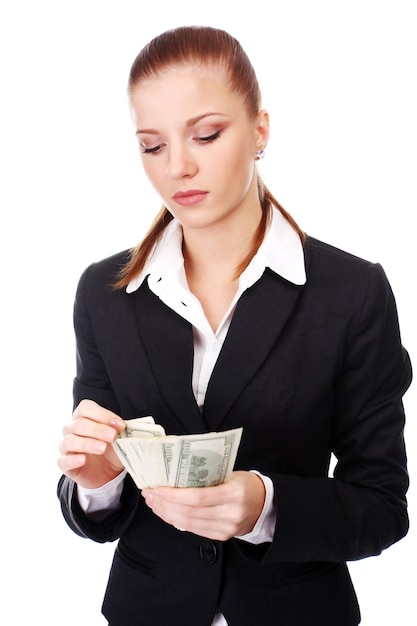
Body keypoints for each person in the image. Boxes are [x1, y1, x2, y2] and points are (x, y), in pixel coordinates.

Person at [57, 25, 412, 626]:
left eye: (206, 134)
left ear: (260, 132)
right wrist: (95, 486)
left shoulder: (351, 294)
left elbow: (381, 506)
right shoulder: (105, 294)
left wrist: (266, 508)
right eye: (152, 145)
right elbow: (99, 512)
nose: (179, 166)